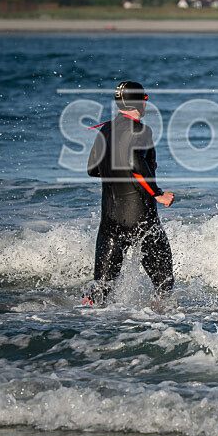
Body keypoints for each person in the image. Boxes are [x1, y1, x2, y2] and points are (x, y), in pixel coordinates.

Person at [83, 81, 175, 307]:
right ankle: (162, 320)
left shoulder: (104, 130)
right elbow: (135, 162)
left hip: (110, 221)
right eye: (145, 99)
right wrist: (158, 193)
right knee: (164, 286)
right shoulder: (141, 130)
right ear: (139, 103)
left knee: (100, 288)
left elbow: (92, 169)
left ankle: (82, 324)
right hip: (141, 219)